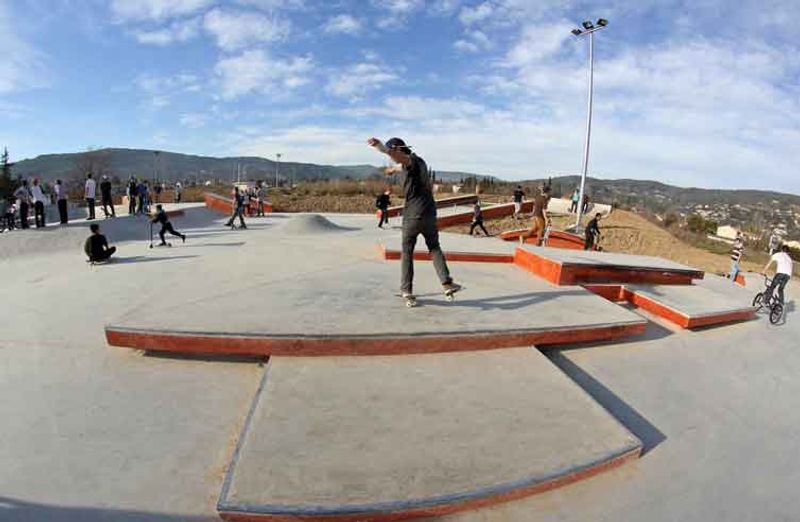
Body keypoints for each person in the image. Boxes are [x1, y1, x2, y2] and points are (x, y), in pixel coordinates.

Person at [367, 136, 460, 304]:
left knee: (407, 252)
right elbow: (401, 164)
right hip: (429, 215)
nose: (392, 159)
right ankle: (447, 283)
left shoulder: (410, 161)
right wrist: (392, 170)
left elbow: (402, 159)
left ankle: (406, 290)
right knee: (434, 248)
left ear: (398, 149)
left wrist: (382, 148)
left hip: (412, 216)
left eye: (393, 154)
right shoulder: (420, 163)